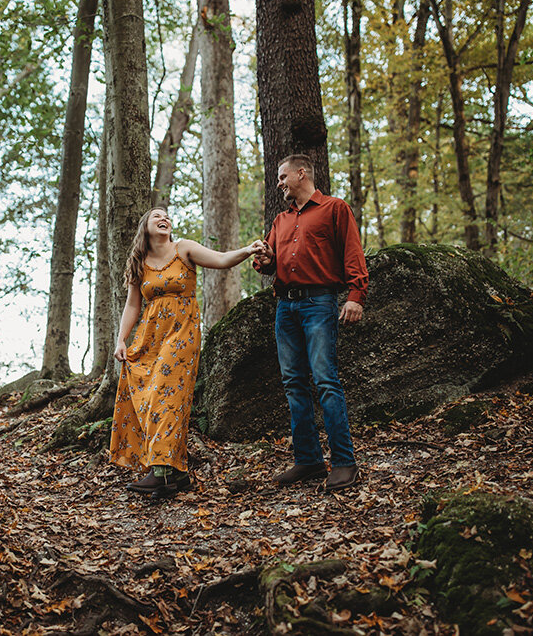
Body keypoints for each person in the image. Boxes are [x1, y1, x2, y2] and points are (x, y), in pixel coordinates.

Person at [110, 207, 263, 496]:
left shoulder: (184, 249)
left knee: (167, 397)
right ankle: (178, 474)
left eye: (167, 215)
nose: (163, 218)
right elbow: (133, 305)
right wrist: (122, 339)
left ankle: (160, 472)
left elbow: (220, 260)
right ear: (145, 226)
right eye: (157, 215)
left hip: (181, 335)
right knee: (154, 399)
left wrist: (247, 250)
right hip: (149, 338)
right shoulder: (140, 263)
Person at [253, 153, 368, 492]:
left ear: (301, 174)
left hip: (319, 304)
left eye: (282, 176)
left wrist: (355, 296)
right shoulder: (281, 220)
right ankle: (308, 460)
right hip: (285, 309)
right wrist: (264, 258)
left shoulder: (335, 209)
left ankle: (345, 462)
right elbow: (269, 262)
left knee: (325, 380)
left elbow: (352, 253)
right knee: (293, 384)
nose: (279, 183)